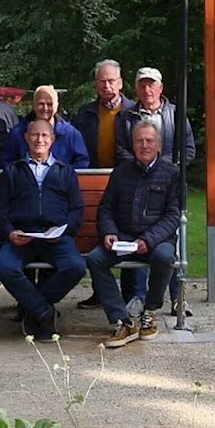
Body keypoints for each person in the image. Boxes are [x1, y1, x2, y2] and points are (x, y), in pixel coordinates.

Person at [86, 120, 183, 348]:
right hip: (125, 238)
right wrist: (109, 232)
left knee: (165, 257)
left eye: (149, 141)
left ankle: (149, 312)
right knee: (95, 259)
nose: (144, 145)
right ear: (133, 145)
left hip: (157, 240)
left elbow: (172, 216)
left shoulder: (172, 174)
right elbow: (106, 208)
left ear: (159, 145)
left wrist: (147, 240)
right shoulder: (121, 173)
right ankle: (122, 320)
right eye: (139, 141)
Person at [0, 119, 86, 340]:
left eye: (45, 136)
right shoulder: (12, 171)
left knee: (76, 267)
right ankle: (44, 311)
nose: (39, 140)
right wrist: (9, 232)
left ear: (52, 140)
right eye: (34, 135)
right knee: (5, 267)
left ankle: (33, 308)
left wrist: (64, 231)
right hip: (21, 237)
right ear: (26, 138)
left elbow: (77, 209)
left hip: (56, 237)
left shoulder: (65, 171)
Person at [114, 66, 196, 317]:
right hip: (136, 183)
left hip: (167, 186)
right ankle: (137, 298)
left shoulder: (176, 115)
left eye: (152, 84)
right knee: (137, 232)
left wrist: (161, 167)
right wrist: (139, 166)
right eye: (142, 85)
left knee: (172, 240)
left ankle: (177, 298)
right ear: (136, 88)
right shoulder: (126, 117)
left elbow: (189, 151)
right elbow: (120, 150)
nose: (147, 89)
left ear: (161, 88)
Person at [71, 59, 139, 310]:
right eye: (102, 81)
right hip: (93, 182)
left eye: (112, 80)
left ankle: (132, 295)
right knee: (98, 235)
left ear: (120, 83)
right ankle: (101, 293)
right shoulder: (85, 113)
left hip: (128, 183)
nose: (107, 85)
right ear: (95, 84)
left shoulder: (133, 111)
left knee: (130, 233)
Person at [5, 85, 89, 168]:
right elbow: (8, 162)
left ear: (56, 106)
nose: (45, 108)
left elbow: (83, 162)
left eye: (49, 104)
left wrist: (64, 175)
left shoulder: (70, 133)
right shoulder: (18, 132)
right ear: (33, 105)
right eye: (41, 104)